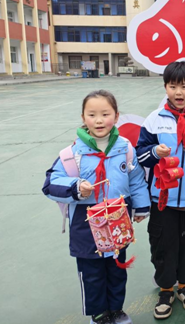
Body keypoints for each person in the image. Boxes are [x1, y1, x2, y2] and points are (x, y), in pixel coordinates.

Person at [43, 90, 151, 324]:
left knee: (117, 269)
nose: (99, 120)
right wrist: (76, 187)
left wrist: (141, 206)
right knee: (91, 273)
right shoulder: (71, 154)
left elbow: (136, 179)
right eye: (92, 115)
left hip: (118, 221)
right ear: (83, 117)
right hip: (86, 224)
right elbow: (50, 184)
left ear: (116, 116)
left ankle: (116, 309)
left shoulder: (126, 149)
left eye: (105, 114)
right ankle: (99, 313)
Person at [136, 61, 185, 320]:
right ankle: (166, 290)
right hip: (162, 200)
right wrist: (154, 152)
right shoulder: (154, 119)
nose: (178, 92)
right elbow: (140, 155)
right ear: (165, 87)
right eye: (172, 86)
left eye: (184, 86)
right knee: (162, 246)